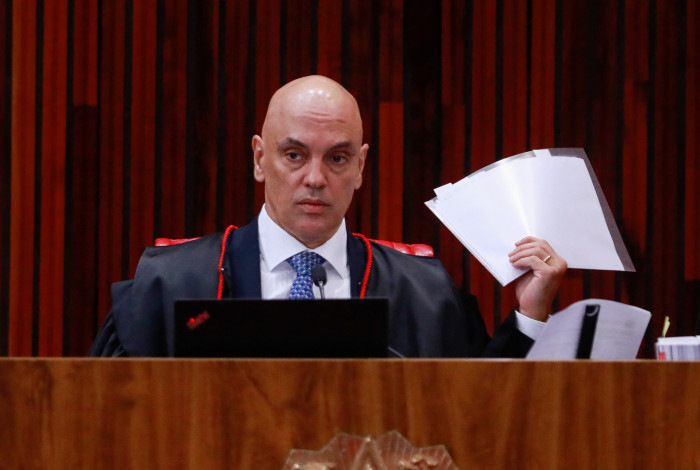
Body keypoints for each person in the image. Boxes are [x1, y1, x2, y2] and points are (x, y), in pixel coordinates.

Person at [89, 75, 567, 357]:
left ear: (360, 166)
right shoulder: (171, 283)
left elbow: (485, 414)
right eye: (294, 155)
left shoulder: (424, 292)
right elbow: (105, 416)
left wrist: (531, 313)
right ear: (259, 158)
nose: (315, 178)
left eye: (337, 158)